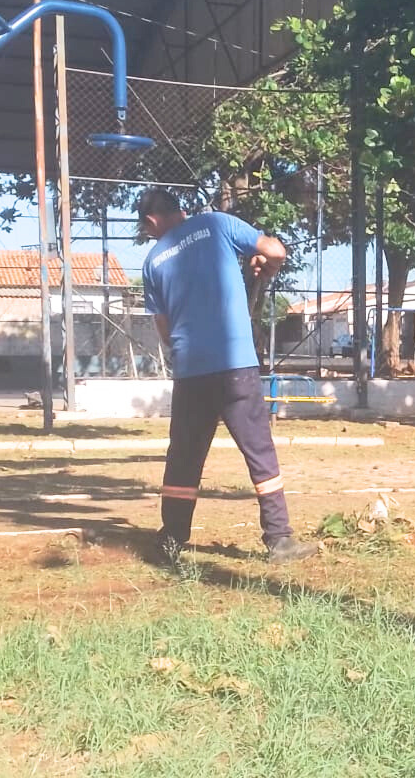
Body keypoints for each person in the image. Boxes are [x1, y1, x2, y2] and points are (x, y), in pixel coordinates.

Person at [136, 187, 316, 565]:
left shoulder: (152, 262)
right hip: (236, 365)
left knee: (184, 457)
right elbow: (276, 252)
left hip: (191, 372)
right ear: (178, 210)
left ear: (152, 221)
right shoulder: (217, 223)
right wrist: (263, 262)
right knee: (260, 454)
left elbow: (165, 332)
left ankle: (172, 540)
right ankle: (279, 540)